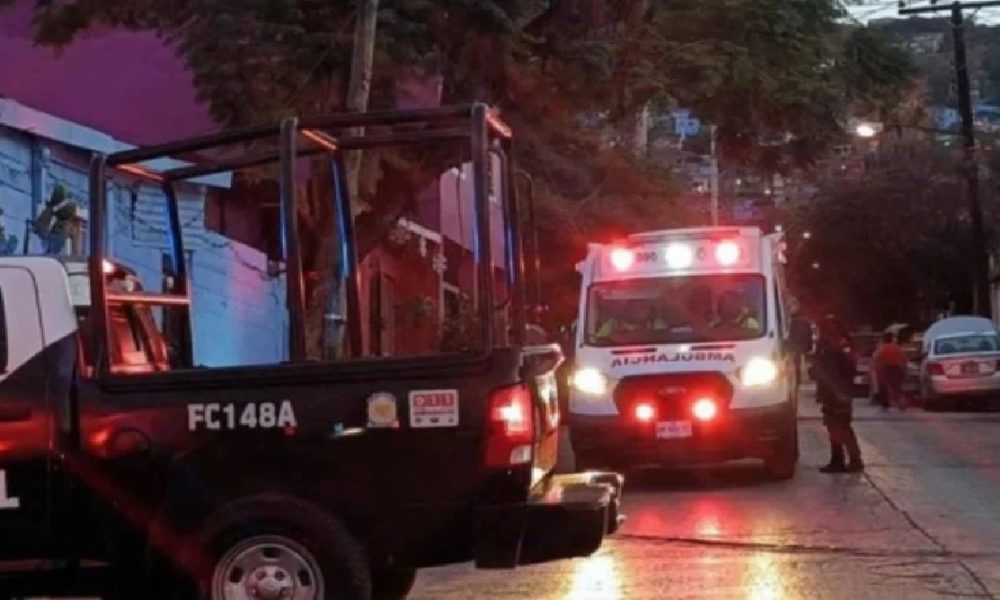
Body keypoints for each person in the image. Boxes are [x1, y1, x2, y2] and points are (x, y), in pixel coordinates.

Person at [812, 317, 863, 473]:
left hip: (840, 394)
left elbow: (847, 371)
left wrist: (842, 391)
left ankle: (855, 460)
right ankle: (837, 459)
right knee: (832, 427)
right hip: (830, 393)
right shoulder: (825, 348)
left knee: (842, 427)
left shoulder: (841, 347)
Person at [873, 331, 908, 411]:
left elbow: (876, 360)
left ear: (884, 339)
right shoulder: (897, 348)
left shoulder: (881, 349)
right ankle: (901, 403)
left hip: (885, 370)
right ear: (892, 339)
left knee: (883, 387)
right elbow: (904, 360)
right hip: (897, 369)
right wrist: (904, 370)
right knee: (897, 388)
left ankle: (885, 404)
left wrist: (877, 370)